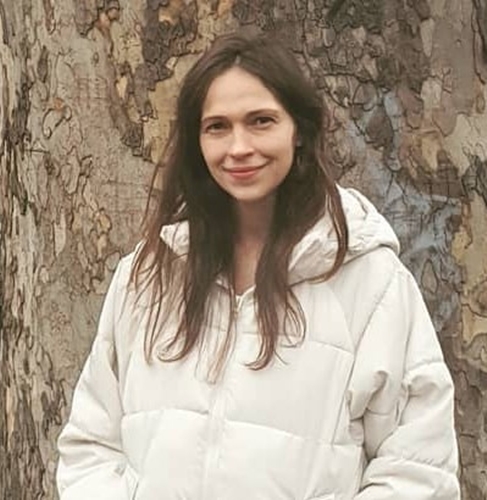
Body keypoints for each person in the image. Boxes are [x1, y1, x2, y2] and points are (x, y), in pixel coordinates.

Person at [56, 31, 460, 500]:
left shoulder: (370, 281)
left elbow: (417, 469)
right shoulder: (147, 276)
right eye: (217, 127)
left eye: (261, 121)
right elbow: (92, 445)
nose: (239, 147)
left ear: (299, 130)